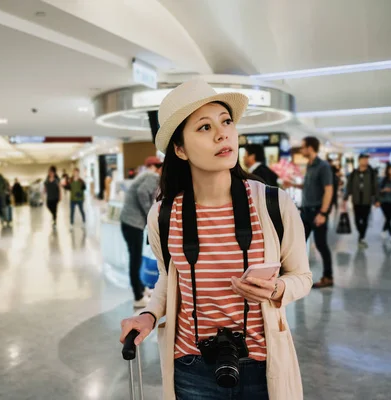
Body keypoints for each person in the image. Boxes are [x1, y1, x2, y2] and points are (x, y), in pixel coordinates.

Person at [119, 79, 312, 400]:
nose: (222, 134)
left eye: (226, 122)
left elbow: (302, 277)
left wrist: (277, 289)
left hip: (261, 364)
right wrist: (148, 315)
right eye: (204, 127)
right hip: (191, 365)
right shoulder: (164, 215)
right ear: (179, 149)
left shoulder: (274, 204)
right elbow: (169, 278)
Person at [288, 136, 334, 289]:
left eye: (303, 147)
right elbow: (309, 187)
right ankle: (298, 275)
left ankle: (328, 277)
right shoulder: (310, 165)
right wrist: (293, 184)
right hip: (306, 211)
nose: (301, 150)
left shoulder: (323, 166)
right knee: (299, 243)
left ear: (310, 148)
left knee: (321, 244)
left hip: (317, 212)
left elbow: (329, 190)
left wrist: (323, 213)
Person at [119, 156, 163, 308]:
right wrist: (149, 212)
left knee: (135, 257)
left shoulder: (145, 175)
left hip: (128, 222)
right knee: (135, 259)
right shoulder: (153, 176)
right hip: (133, 223)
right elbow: (142, 192)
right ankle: (138, 297)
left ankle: (141, 289)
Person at [344, 154, 380, 248]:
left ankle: (361, 237)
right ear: (359, 160)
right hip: (356, 200)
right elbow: (349, 186)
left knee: (364, 219)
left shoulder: (372, 173)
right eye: (363, 159)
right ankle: (361, 234)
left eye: (366, 160)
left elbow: (376, 187)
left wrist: (377, 199)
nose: (365, 161)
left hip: (366, 200)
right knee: (356, 220)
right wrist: (346, 196)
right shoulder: (353, 173)